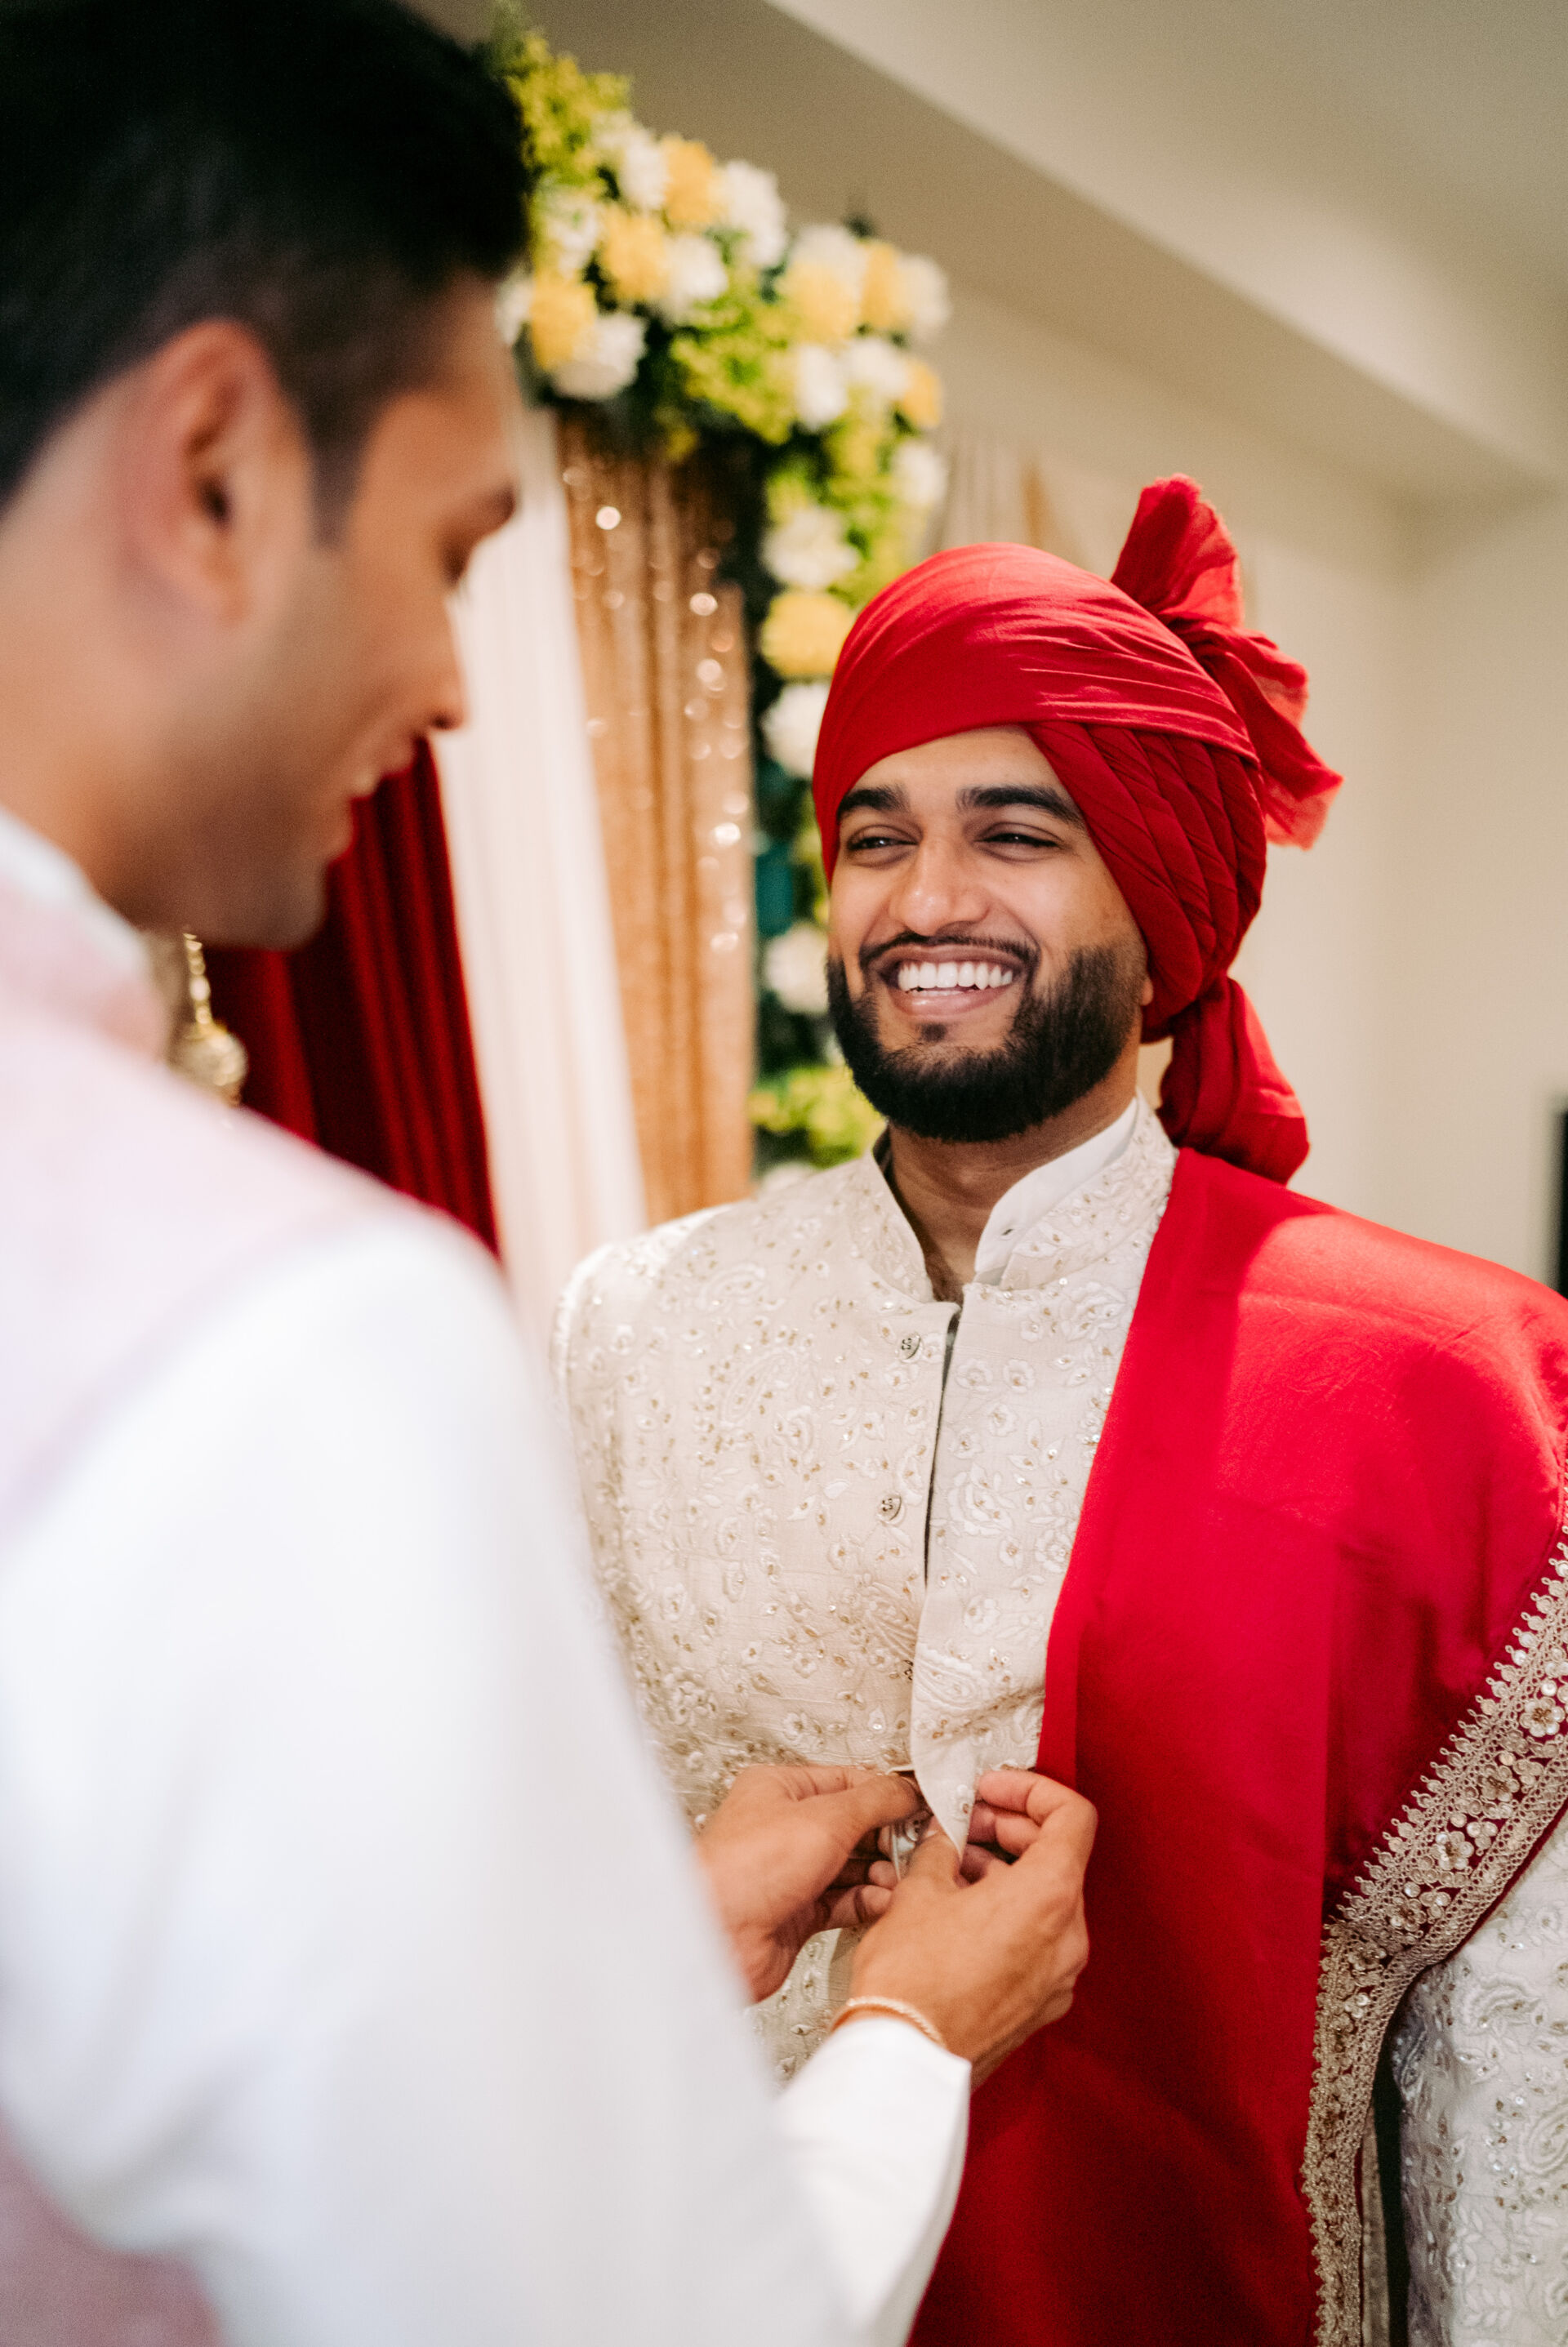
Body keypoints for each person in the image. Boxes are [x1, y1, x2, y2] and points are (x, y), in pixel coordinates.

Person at [0, 3, 1099, 2343]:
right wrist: (915, 2036)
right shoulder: (276, 1336)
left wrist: (656, 1940)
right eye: (448, 550)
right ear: (212, 467)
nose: (454, 685)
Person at [558, 488, 1568, 2347]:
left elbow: (1514, 2092)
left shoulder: (1443, 1383)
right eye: (876, 837)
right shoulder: (632, 1328)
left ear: (1159, 905)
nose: (927, 900)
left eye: (1014, 833)